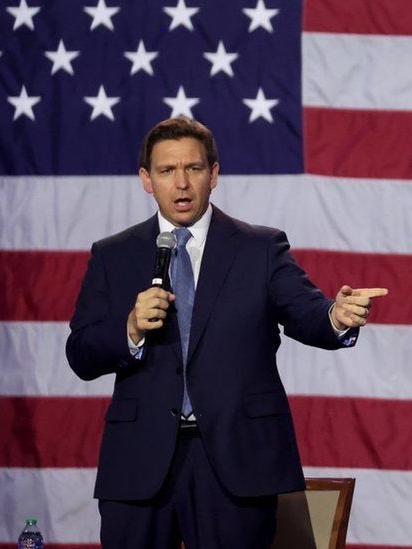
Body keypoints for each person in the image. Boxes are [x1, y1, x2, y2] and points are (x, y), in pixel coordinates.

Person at [65, 117, 386, 548]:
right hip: (139, 464)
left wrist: (337, 316)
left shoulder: (259, 247)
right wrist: (130, 328)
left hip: (235, 462)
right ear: (146, 179)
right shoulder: (113, 254)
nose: (181, 183)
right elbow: (81, 354)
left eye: (193, 169)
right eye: (166, 171)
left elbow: (306, 313)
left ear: (214, 174)